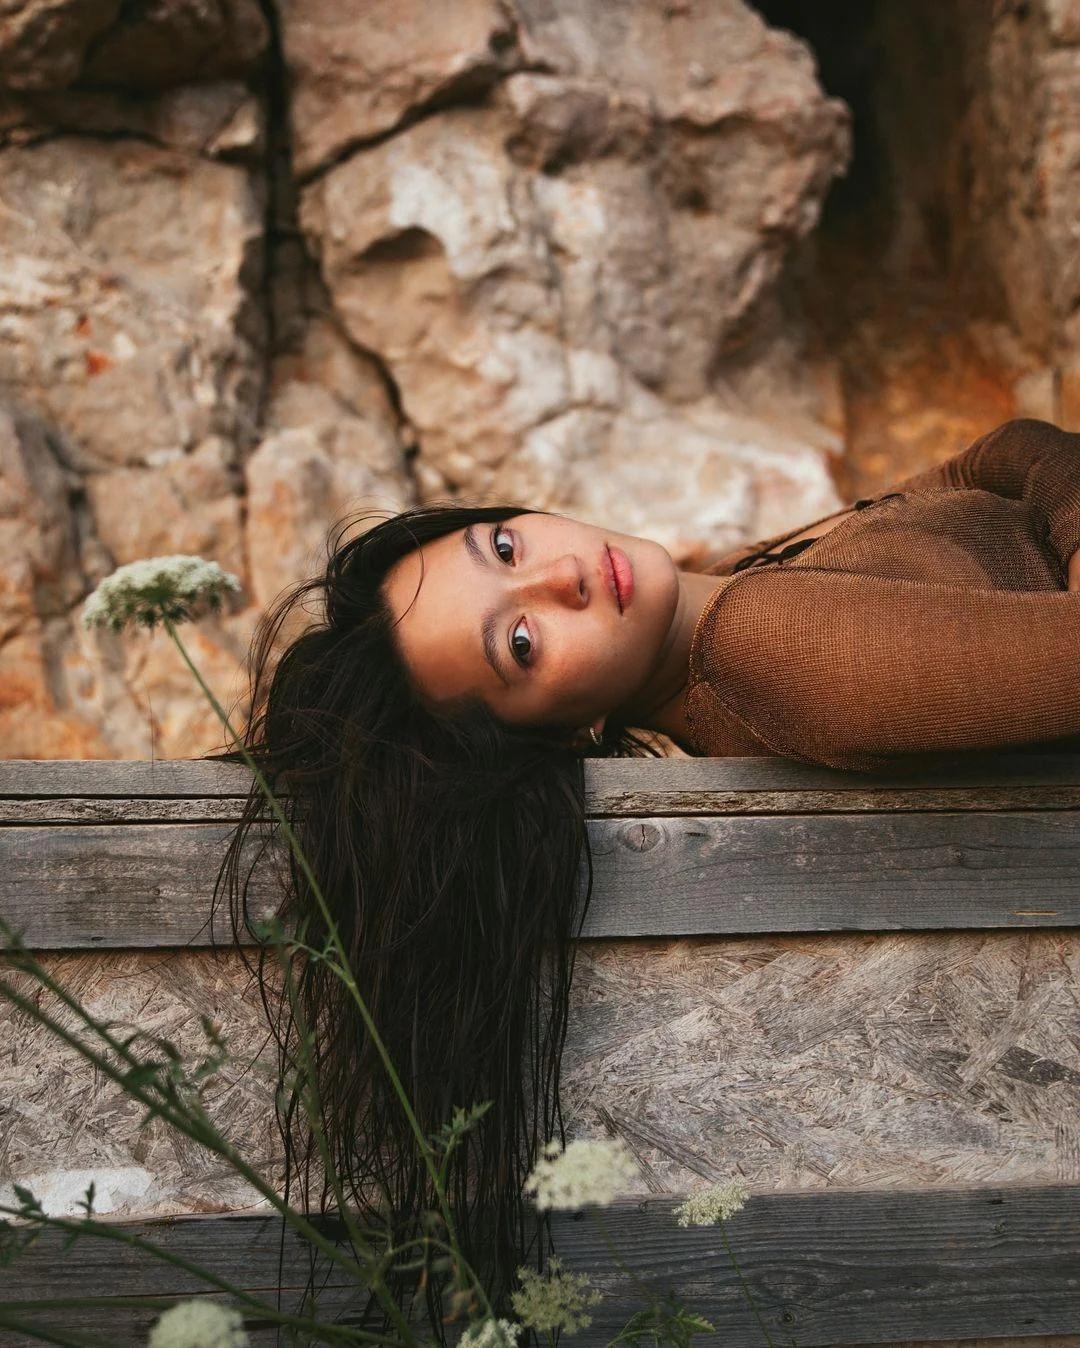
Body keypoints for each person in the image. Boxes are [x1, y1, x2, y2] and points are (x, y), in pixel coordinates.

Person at [205, 415, 1080, 1343]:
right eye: (523, 644)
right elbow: (1026, 467)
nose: (562, 576)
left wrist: (1041, 469)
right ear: (560, 734)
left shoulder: (729, 592)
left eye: (502, 547)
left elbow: (994, 455)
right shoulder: (764, 648)